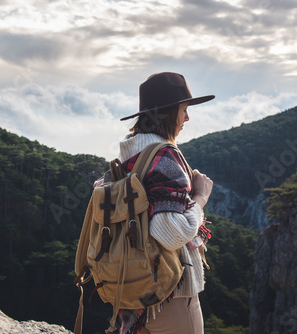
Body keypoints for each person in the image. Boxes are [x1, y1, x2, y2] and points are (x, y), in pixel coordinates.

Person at [115, 72, 215, 334]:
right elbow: (170, 234)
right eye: (184, 110)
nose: (187, 118)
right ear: (169, 113)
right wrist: (200, 198)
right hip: (170, 294)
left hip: (134, 290)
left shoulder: (130, 155)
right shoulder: (165, 157)